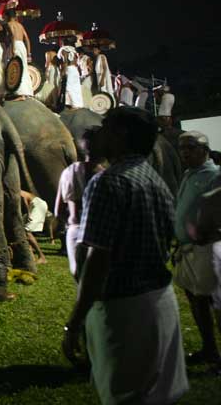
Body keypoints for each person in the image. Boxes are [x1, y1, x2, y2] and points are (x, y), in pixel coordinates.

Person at [62, 107, 188, 405]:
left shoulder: (108, 182)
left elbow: (98, 258)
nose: (99, 132)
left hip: (124, 311)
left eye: (106, 126)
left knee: (125, 396)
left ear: (121, 136)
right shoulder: (153, 179)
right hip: (160, 302)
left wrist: (76, 320)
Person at [173, 130, 221, 367]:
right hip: (187, 249)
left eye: (191, 148)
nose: (185, 153)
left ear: (205, 150)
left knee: (212, 302)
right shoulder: (189, 174)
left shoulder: (215, 175)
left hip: (207, 249)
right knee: (195, 299)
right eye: (182, 148)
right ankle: (209, 349)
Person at [55, 127, 106, 277]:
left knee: (80, 279)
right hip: (99, 234)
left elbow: (58, 210)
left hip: (75, 230)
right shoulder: (106, 176)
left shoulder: (69, 172)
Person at [3, 9, 33, 98]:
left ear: (8, 16)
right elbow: (27, 38)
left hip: (15, 45)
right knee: (23, 66)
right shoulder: (20, 25)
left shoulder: (9, 24)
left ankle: (18, 92)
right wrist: (29, 53)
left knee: (14, 67)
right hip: (22, 46)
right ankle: (26, 91)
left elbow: (12, 36)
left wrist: (13, 49)